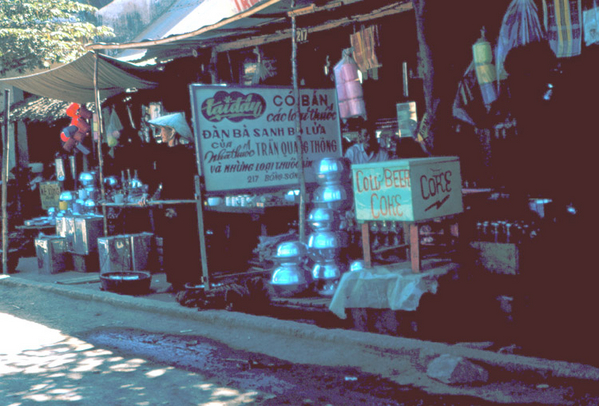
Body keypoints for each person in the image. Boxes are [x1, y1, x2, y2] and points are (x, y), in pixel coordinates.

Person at [145, 112, 201, 293]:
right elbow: (158, 180)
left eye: (163, 130)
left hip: (182, 201)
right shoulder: (164, 154)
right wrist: (150, 197)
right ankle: (176, 280)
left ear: (172, 132)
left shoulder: (185, 154)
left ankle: (187, 279)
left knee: (184, 241)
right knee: (172, 242)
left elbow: (184, 180)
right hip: (170, 201)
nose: (161, 133)